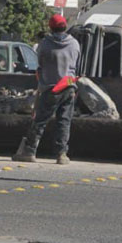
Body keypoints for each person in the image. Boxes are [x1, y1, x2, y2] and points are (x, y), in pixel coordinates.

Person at [13, 14, 80, 165]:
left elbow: (40, 63)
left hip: (51, 87)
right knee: (64, 121)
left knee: (40, 120)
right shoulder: (74, 43)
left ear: (51, 28)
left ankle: (29, 151)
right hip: (69, 85)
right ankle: (62, 154)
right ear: (65, 26)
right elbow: (76, 65)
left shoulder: (45, 44)